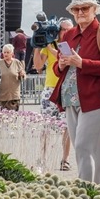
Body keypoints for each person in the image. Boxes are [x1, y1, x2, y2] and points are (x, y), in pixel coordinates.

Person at [49, 0, 100, 184]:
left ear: (95, 9)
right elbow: (58, 68)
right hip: (70, 97)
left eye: (85, 8)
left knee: (83, 146)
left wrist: (82, 63)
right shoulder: (69, 34)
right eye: (76, 9)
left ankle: (86, 192)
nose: (80, 12)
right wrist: (60, 64)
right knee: (92, 150)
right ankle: (99, 191)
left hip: (96, 98)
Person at [33, 18, 73, 171]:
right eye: (63, 29)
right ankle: (42, 158)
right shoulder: (50, 44)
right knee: (45, 126)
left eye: (69, 29)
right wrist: (37, 45)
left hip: (68, 89)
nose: (67, 32)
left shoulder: (74, 45)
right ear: (58, 31)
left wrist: (49, 47)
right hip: (50, 88)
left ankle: (65, 159)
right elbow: (38, 66)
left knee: (67, 127)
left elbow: (65, 57)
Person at [0, 43, 25, 111]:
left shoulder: (17, 62)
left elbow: (23, 76)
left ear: (12, 53)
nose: (5, 54)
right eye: (4, 52)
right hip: (2, 95)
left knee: (13, 117)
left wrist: (22, 74)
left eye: (8, 52)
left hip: (14, 95)